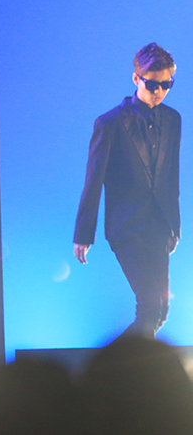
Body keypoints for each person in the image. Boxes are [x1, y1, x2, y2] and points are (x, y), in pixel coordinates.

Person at [74, 42, 180, 338]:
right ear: (136, 79)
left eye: (167, 84)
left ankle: (126, 364)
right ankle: (114, 364)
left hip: (159, 227)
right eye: (153, 84)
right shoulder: (109, 124)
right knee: (150, 305)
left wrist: (175, 227)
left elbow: (172, 178)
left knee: (160, 310)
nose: (159, 91)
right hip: (127, 227)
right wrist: (83, 234)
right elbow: (94, 179)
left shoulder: (173, 119)